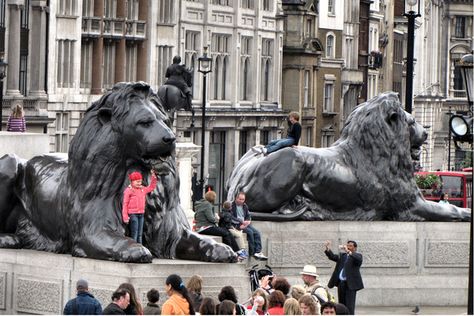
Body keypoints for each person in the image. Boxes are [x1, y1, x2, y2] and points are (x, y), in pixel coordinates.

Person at [194, 190, 247, 259]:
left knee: (226, 232)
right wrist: (217, 218)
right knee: (225, 233)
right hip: (206, 227)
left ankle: (236, 251)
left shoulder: (200, 204)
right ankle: (231, 253)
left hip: (201, 227)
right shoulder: (207, 205)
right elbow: (211, 219)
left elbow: (196, 216)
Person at [324, 240, 364, 315]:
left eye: (350, 246)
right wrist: (327, 248)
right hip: (341, 283)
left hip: (350, 285)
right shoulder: (343, 256)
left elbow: (358, 259)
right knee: (341, 305)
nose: (348, 247)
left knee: (350, 305)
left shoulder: (357, 256)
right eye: (347, 245)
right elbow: (332, 257)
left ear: (355, 248)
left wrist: (349, 252)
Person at [122, 169, 157, 244]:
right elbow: (125, 204)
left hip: (141, 214)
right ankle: (134, 250)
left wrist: (153, 177)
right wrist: (125, 216)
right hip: (133, 214)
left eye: (140, 181)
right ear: (132, 181)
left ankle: (140, 249)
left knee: (140, 234)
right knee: (134, 233)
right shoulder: (128, 191)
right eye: (137, 181)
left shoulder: (142, 189)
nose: (139, 183)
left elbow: (151, 187)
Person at [230, 192, 268, 260]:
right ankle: (252, 252)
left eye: (243, 199)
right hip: (236, 225)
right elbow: (231, 217)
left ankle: (258, 252)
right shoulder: (231, 205)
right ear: (236, 198)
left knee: (257, 233)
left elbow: (248, 215)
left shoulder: (245, 206)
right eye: (240, 199)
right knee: (250, 232)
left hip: (245, 224)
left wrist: (248, 221)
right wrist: (240, 224)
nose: (241, 201)